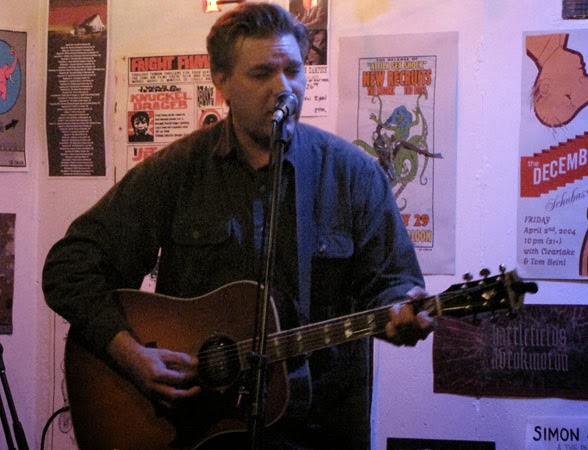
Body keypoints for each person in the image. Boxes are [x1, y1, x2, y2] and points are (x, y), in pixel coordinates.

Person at [43, 3, 431, 449]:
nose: (283, 88)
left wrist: (404, 310)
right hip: (198, 433)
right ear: (222, 81)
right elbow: (69, 267)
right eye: (262, 73)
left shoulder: (354, 175)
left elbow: (394, 283)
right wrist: (128, 353)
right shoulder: (177, 171)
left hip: (321, 431)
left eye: (293, 71)